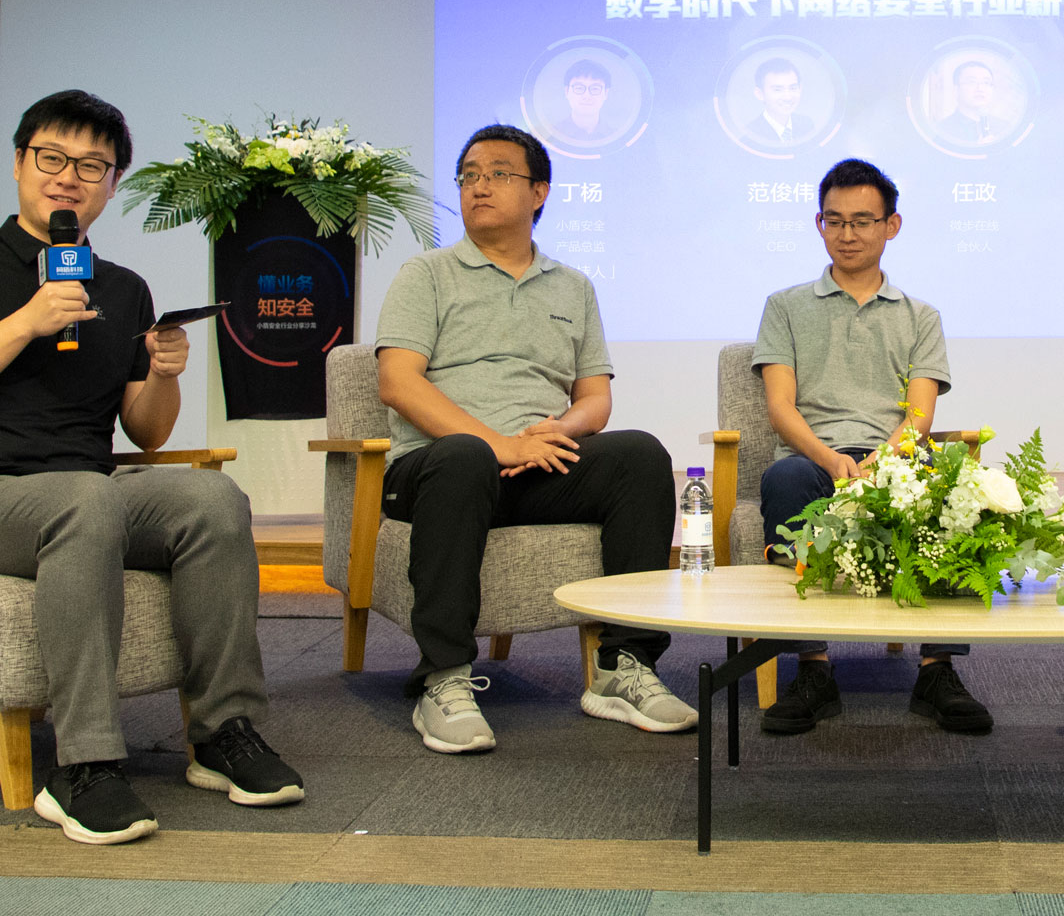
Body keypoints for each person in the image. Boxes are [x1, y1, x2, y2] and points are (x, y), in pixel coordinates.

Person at [0, 90, 302, 845]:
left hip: (91, 494)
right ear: (20, 163)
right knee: (87, 499)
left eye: (91, 166)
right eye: (52, 157)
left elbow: (146, 431)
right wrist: (26, 321)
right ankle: (83, 765)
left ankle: (223, 731)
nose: (68, 177)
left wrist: (165, 373)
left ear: (111, 185)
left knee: (212, 500)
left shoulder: (122, 289)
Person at [374, 122, 695, 754]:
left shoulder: (573, 287)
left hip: (533, 465)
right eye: (468, 175)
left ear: (539, 191)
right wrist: (499, 444)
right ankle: (443, 678)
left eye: (498, 174)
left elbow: (595, 399)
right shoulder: (427, 273)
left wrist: (557, 430)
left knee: (639, 454)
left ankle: (623, 666)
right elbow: (397, 382)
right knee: (464, 456)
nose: (478, 186)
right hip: (438, 469)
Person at [752, 159, 990, 736]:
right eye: (834, 220)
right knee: (784, 481)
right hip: (814, 458)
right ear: (819, 224)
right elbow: (781, 408)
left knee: (953, 487)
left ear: (891, 225)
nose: (848, 234)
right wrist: (832, 460)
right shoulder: (785, 306)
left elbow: (919, 416)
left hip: (896, 457)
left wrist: (883, 463)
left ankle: (937, 669)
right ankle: (812, 667)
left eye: (862, 221)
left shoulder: (920, 316)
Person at [548, 58, 614, 145]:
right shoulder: (548, 136)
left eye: (595, 89)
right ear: (567, 91)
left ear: (606, 93)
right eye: (579, 88)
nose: (587, 96)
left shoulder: (616, 138)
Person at [746, 58, 805, 144]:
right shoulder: (750, 134)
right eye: (778, 90)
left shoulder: (806, 124)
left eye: (793, 88)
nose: (787, 97)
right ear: (760, 94)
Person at [941, 61, 1000, 144]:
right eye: (972, 82)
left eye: (986, 83)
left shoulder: (1004, 128)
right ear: (956, 90)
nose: (980, 88)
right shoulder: (942, 130)